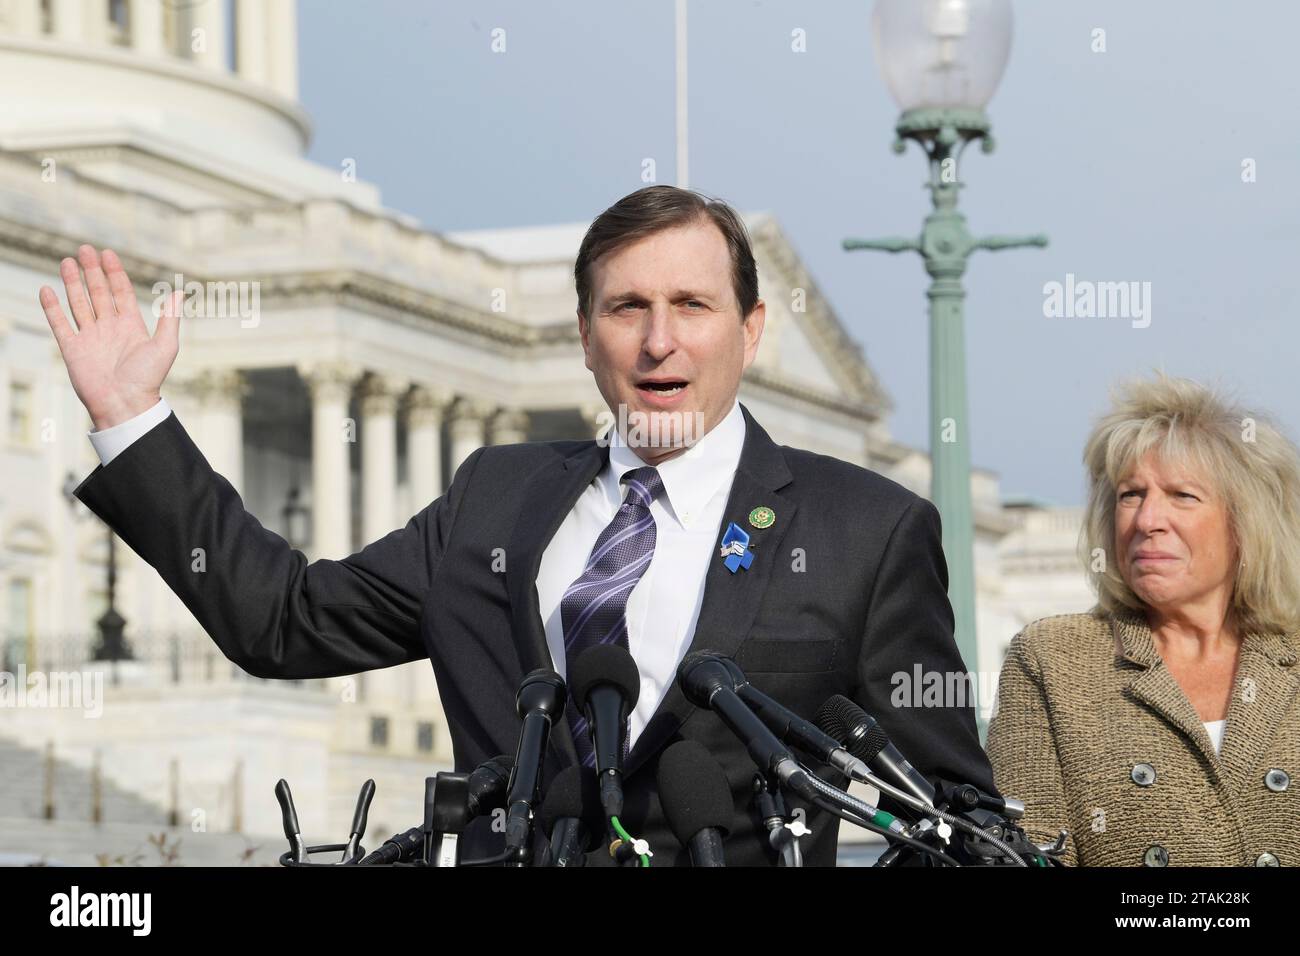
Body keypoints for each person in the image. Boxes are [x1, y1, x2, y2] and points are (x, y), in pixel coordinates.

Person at [41, 184, 996, 866]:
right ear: (585, 337)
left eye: (692, 306)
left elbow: (957, 815)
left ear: (749, 332)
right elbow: (283, 622)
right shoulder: (495, 498)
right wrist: (134, 420)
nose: (659, 340)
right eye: (627, 308)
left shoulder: (865, 532)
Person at [987, 373, 1300, 866]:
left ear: (1248, 522)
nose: (1147, 520)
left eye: (1182, 496)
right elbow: (1023, 849)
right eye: (1131, 495)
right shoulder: (1053, 659)